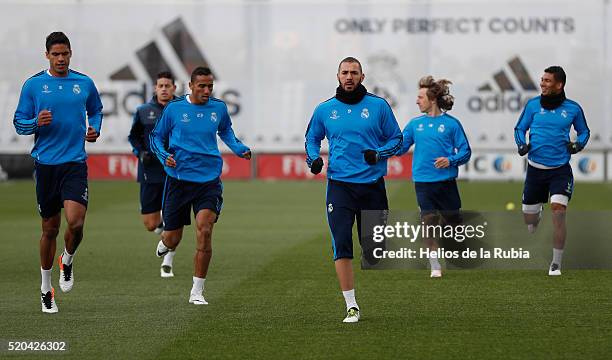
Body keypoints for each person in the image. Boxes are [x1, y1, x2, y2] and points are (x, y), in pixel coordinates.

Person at [305, 57, 402, 323]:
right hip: (339, 187)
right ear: (337, 76)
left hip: (372, 187)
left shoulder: (378, 106)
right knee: (341, 244)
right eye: (345, 72)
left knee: (374, 250)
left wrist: (379, 154)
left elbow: (397, 138)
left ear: (362, 76)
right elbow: (312, 138)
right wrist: (313, 159)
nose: (349, 77)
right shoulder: (325, 110)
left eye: (354, 73)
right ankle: (351, 305)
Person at [13, 32, 103, 313]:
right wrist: (35, 122)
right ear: (47, 56)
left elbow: (96, 110)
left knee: (75, 223)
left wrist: (95, 129)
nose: (61, 59)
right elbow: (19, 123)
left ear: (71, 53)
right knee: (49, 229)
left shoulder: (84, 83)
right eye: (56, 55)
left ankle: (68, 258)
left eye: (65, 54)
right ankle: (45, 288)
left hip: (74, 164)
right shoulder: (34, 85)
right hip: (45, 166)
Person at [150, 66, 251, 305]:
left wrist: (239, 149)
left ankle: (197, 291)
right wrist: (164, 156)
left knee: (204, 230)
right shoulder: (174, 109)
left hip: (208, 181)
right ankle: (166, 242)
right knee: (173, 238)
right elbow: (156, 137)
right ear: (191, 86)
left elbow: (226, 132)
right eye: (202, 86)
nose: (207, 90)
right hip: (178, 180)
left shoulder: (218, 108)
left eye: (210, 86)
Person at [514, 66, 589, 276]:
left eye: (547, 81)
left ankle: (556, 263)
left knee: (559, 212)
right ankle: (535, 213)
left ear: (559, 85)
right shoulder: (532, 106)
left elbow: (584, 131)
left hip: (560, 171)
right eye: (542, 80)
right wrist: (521, 144)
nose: (542, 84)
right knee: (529, 223)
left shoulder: (573, 108)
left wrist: (578, 145)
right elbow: (519, 128)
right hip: (535, 171)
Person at [395, 76, 471, 278]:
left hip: (446, 183)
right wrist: (383, 144)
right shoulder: (414, 124)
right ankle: (435, 265)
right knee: (428, 222)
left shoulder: (452, 125)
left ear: (432, 99)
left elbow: (465, 152)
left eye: (420, 97)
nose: (417, 101)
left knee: (453, 224)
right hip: (423, 183)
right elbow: (400, 148)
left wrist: (450, 160)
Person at [128, 71, 177, 278]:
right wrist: (140, 153)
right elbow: (134, 137)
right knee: (150, 224)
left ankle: (168, 259)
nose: (164, 89)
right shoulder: (143, 111)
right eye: (161, 85)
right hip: (149, 171)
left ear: (174, 88)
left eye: (168, 85)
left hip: (174, 170)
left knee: (172, 217)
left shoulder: (182, 110)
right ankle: (166, 235)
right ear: (155, 88)